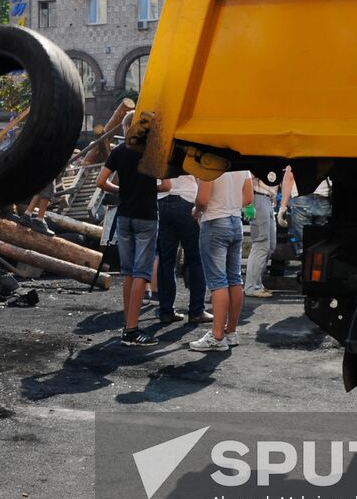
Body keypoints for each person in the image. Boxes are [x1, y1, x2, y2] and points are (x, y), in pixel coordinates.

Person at [97, 117, 169, 346]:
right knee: (141, 272)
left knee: (128, 271)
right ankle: (132, 329)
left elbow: (101, 182)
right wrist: (150, 187)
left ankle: (128, 322)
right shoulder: (153, 152)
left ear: (126, 129)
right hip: (146, 215)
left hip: (124, 214)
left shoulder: (118, 151)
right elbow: (167, 186)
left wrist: (121, 189)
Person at [189, 170, 253, 352]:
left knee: (218, 281)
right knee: (234, 279)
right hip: (235, 221)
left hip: (214, 221)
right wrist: (231, 206)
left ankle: (217, 336)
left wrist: (196, 211)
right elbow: (248, 197)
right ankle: (230, 332)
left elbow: (202, 199)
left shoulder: (210, 164)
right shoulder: (241, 165)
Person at [155, 173, 210, 324]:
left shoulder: (158, 149)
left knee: (166, 260)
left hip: (162, 201)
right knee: (195, 258)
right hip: (187, 200)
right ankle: (197, 311)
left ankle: (166, 310)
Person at [279, 166, 331, 258]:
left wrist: (283, 207)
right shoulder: (326, 155)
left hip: (301, 199)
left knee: (303, 244)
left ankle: (304, 267)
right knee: (321, 242)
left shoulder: (299, 155)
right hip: (324, 199)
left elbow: (289, 178)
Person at [243, 171, 279, 298]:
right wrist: (249, 205)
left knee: (270, 246)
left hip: (268, 199)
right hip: (258, 196)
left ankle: (257, 283)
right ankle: (251, 287)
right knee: (261, 244)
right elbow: (249, 176)